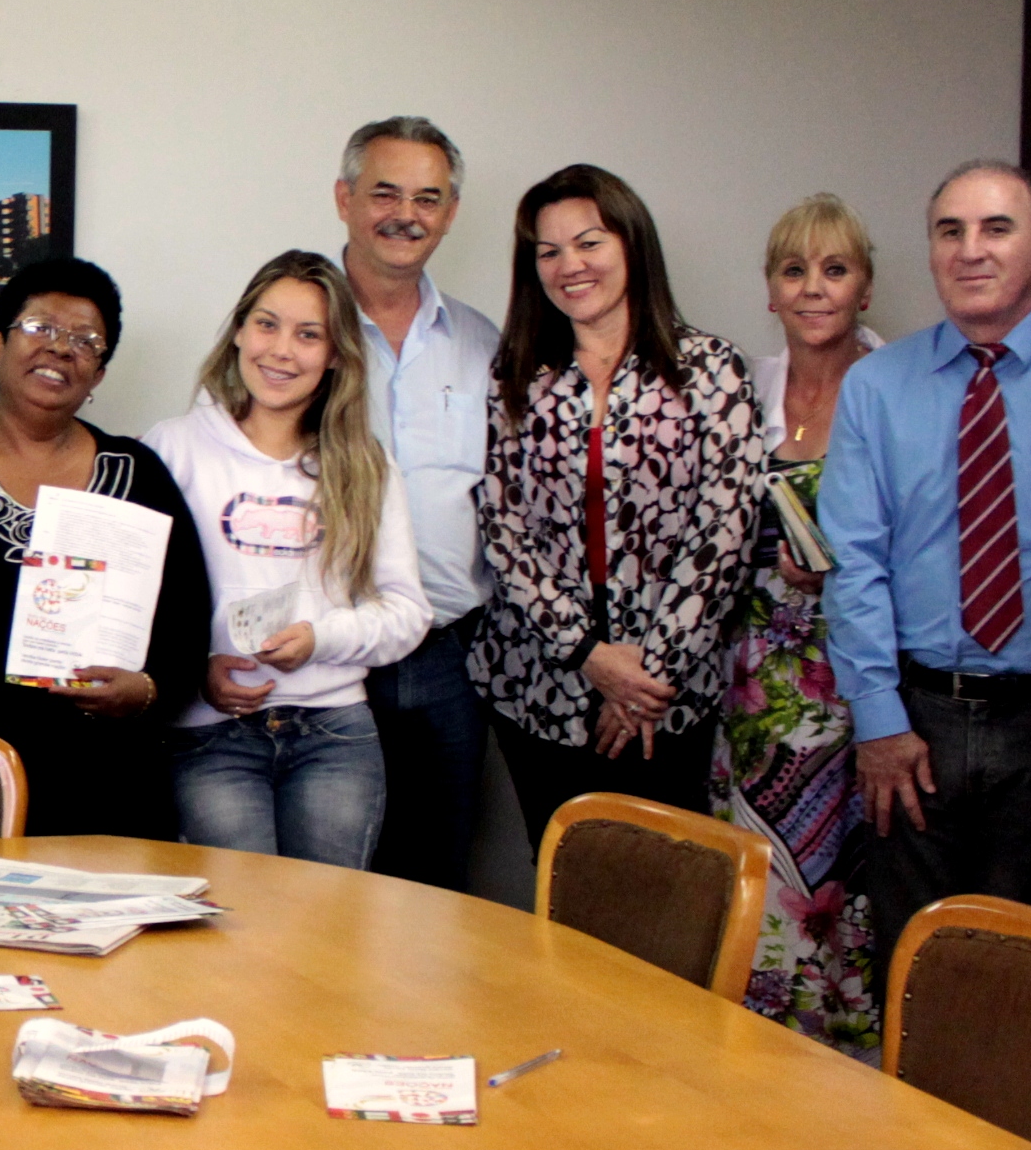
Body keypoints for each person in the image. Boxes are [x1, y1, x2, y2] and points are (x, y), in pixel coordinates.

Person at [820, 161, 1031, 948]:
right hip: (913, 724)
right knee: (916, 965)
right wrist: (879, 721)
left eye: (997, 228)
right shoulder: (877, 386)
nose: (971, 250)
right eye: (949, 231)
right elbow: (854, 563)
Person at [471, 165, 772, 845]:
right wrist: (588, 655)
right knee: (562, 903)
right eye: (547, 252)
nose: (569, 266)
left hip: (670, 695)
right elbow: (501, 526)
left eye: (589, 243)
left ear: (632, 244)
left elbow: (724, 534)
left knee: (663, 911)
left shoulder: (712, 369)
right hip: (540, 685)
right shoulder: (516, 374)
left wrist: (646, 679)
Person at [149, 250, 429, 866]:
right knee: (238, 932)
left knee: (323, 934)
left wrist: (319, 638)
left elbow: (408, 612)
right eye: (267, 324)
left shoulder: (365, 464)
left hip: (335, 735)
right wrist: (196, 670)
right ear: (240, 330)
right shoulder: (171, 448)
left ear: (335, 355)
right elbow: (139, 603)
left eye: (309, 335)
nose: (281, 350)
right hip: (208, 734)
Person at [0, 257, 209, 839]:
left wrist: (146, 690)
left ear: (99, 374)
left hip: (104, 777)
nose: (60, 350)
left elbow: (188, 620)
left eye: (86, 341)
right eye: (40, 329)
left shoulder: (138, 474)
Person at [707, 196, 884, 1052]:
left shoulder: (896, 386)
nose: (815, 289)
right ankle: (757, 1067)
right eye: (794, 271)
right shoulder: (745, 387)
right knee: (756, 883)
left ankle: (842, 1065)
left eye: (835, 269)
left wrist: (834, 571)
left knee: (842, 889)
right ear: (771, 291)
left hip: (854, 678)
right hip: (751, 686)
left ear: (865, 288)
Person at [333, 118, 502, 890]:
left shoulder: (481, 343)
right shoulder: (292, 332)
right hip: (331, 656)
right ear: (344, 199)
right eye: (386, 192)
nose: (406, 214)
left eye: (427, 198)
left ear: (451, 213)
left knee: (437, 886)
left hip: (450, 657)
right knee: (326, 886)